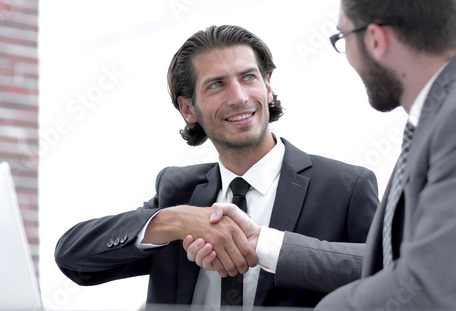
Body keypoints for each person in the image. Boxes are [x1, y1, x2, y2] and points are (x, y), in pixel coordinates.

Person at [54, 25, 379, 309]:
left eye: (248, 77)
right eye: (216, 84)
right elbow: (74, 258)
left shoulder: (345, 186)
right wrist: (177, 219)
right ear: (188, 108)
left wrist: (267, 246)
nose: (238, 97)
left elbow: (390, 274)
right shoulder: (177, 190)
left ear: (267, 86)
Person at [185, 1, 456, 309]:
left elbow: (428, 283)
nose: (238, 97)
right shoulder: (436, 120)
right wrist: (263, 243)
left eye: (342, 39)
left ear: (376, 40)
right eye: (217, 84)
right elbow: (394, 262)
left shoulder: (449, 124)